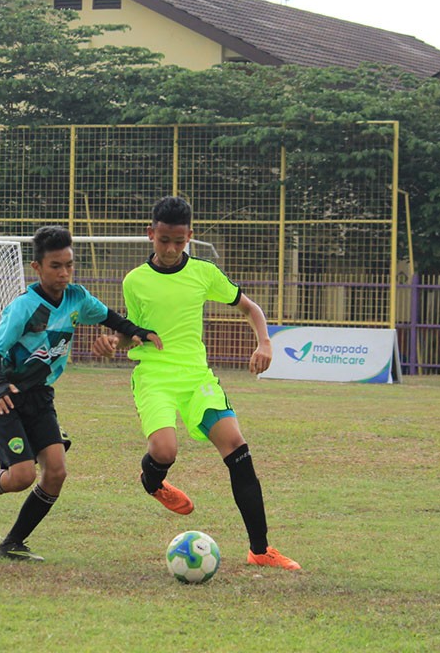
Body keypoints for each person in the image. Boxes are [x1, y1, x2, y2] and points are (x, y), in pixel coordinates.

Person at [92, 196, 300, 571]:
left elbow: (250, 308)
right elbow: (134, 333)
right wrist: (113, 342)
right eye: (163, 241)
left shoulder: (204, 273)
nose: (171, 250)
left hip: (196, 376)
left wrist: (265, 341)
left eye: (179, 241)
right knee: (165, 451)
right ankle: (153, 481)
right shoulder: (135, 281)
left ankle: (260, 549)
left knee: (236, 446)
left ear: (190, 235)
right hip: (154, 376)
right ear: (150, 234)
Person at [0, 226, 161, 561]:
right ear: (37, 268)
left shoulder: (77, 298)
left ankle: (13, 542)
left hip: (41, 397)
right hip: (8, 398)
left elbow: (111, 318)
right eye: (56, 266)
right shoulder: (24, 308)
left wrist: (135, 332)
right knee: (21, 477)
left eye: (69, 265)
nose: (64, 273)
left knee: (56, 472)